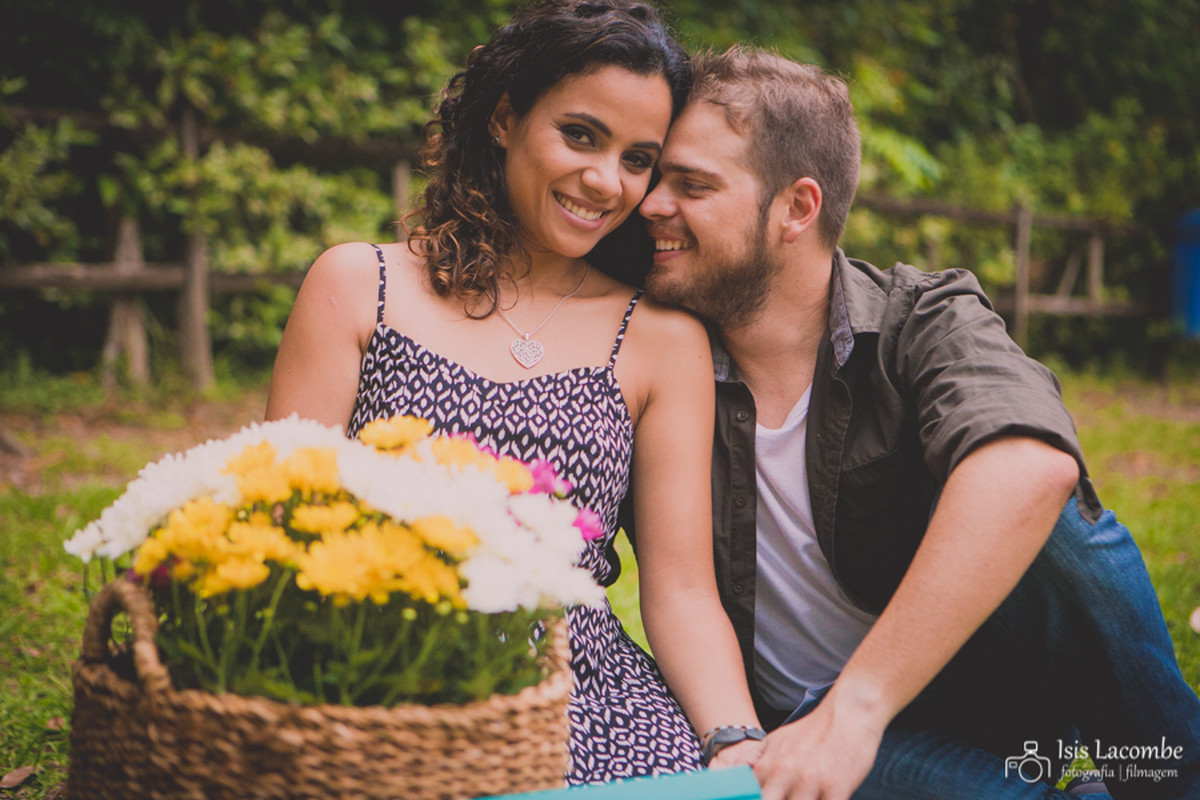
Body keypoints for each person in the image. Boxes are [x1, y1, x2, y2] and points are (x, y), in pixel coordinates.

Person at [637, 45, 1200, 799]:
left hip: (949, 696)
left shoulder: (921, 316)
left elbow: (1031, 467)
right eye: (655, 178)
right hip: (802, 733)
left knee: (1051, 516)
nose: (650, 205)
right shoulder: (650, 344)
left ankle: (1172, 776)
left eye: (692, 185)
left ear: (797, 209)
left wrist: (856, 711)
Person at [264, 0, 762, 785]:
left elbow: (683, 590)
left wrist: (735, 742)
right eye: (580, 134)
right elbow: (275, 528)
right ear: (504, 119)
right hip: (372, 678)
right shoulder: (361, 287)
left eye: (639, 159)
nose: (606, 181)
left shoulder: (660, 340)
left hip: (579, 697)